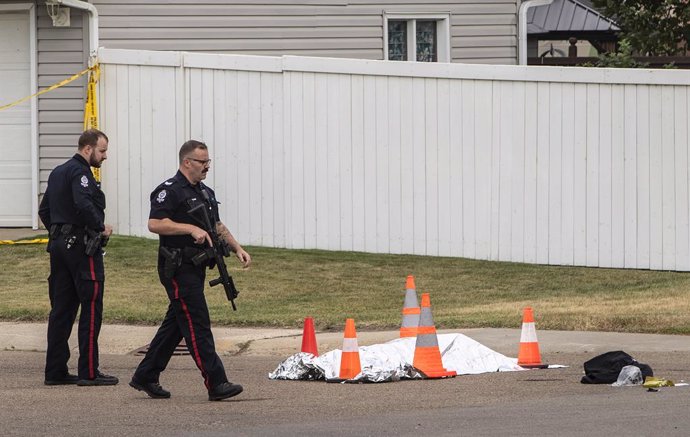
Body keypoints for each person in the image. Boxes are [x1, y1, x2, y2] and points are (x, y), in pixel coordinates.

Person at [130, 139, 251, 401]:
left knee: (176, 324)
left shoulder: (205, 192)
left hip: (196, 267)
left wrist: (237, 248)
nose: (207, 166)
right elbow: (155, 223)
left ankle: (146, 375)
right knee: (197, 323)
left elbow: (216, 224)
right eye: (202, 162)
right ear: (187, 162)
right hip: (177, 267)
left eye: (208, 161)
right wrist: (190, 229)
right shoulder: (169, 191)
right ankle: (216, 383)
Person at [38, 129, 118, 386]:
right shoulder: (81, 173)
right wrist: (99, 228)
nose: (105, 156)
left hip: (59, 247)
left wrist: (59, 231)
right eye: (102, 151)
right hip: (81, 249)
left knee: (61, 310)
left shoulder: (58, 171)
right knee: (92, 306)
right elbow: (84, 204)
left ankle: (56, 371)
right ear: (88, 149)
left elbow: (45, 209)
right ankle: (89, 371)